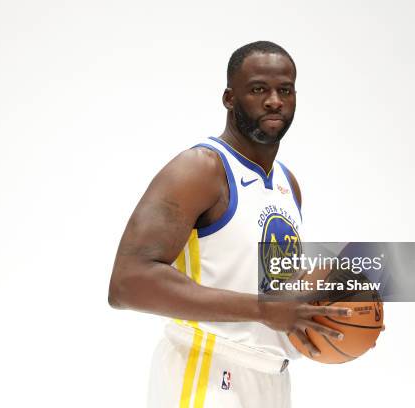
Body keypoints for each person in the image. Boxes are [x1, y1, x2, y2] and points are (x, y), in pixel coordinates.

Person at [108, 41, 351, 408]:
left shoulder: (287, 184)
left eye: (284, 90)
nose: (274, 100)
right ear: (229, 98)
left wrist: (336, 312)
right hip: (207, 371)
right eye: (258, 89)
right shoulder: (201, 169)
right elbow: (127, 283)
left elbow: (267, 285)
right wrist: (262, 308)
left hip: (273, 380)